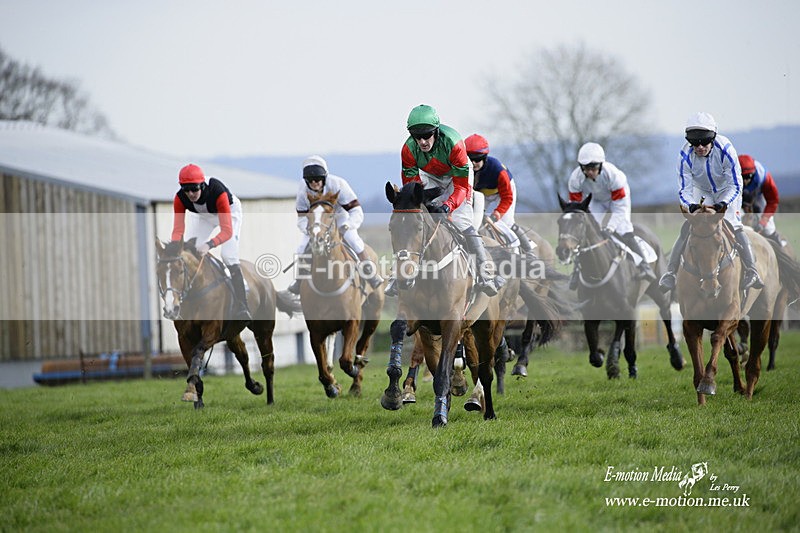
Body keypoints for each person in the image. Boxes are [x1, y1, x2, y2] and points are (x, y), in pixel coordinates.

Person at [384, 104, 501, 298]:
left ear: (436, 131)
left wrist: (447, 206)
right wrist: (422, 203)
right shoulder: (408, 149)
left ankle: (485, 273)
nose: (422, 141)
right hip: (430, 176)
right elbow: (412, 187)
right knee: (411, 223)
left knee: (462, 222)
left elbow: (462, 187)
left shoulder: (453, 144)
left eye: (427, 135)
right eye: (417, 137)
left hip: (458, 178)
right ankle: (397, 275)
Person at [659, 112, 764, 292]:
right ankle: (670, 272)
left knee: (733, 224)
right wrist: (691, 204)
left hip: (727, 190)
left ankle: (751, 270)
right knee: (689, 225)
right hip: (702, 192)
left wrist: (722, 204)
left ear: (713, 138)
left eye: (704, 141)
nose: (699, 147)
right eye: (694, 142)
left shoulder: (726, 149)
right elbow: (684, 188)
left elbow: (736, 184)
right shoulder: (684, 155)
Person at [288, 155, 383, 294]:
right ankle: (299, 280)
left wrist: (349, 225)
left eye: (318, 179)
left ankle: (369, 271)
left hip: (340, 216)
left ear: (324, 178)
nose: (314, 183)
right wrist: (309, 229)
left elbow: (356, 210)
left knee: (352, 239)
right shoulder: (303, 190)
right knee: (302, 247)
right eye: (310, 180)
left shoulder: (338, 185)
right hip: (316, 221)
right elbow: (302, 218)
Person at [171, 163, 252, 322]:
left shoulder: (218, 192)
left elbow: (227, 231)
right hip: (204, 216)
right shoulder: (179, 198)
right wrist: (174, 249)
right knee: (189, 252)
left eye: (194, 189)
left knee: (228, 255)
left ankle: (243, 306)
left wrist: (209, 244)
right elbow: (178, 230)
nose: (191, 194)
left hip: (229, 212)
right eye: (186, 190)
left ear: (202, 185)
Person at [566, 142, 656, 285]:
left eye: (594, 167)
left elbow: (620, 209)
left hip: (618, 200)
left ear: (601, 165)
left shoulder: (613, 175)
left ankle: (644, 265)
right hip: (597, 200)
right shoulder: (575, 179)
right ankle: (576, 270)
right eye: (586, 168)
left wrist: (610, 228)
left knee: (623, 229)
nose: (590, 172)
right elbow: (576, 209)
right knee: (586, 230)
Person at [464, 133, 535, 254]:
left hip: (503, 193)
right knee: (473, 219)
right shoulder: (465, 169)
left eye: (477, 159)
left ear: (485, 157)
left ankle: (528, 251)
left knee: (506, 222)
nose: (473, 163)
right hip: (482, 194)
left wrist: (495, 215)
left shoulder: (498, 170)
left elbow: (507, 198)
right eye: (470, 159)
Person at [739, 153, 785, 245]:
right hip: (737, 199)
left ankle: (781, 251)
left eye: (748, 177)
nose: (745, 181)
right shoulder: (728, 175)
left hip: (758, 197)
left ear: (754, 172)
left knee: (768, 229)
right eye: (742, 176)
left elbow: (773, 201)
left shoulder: (764, 177)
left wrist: (763, 222)